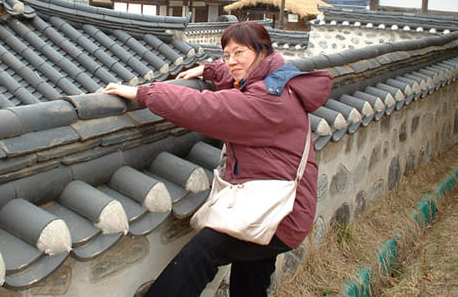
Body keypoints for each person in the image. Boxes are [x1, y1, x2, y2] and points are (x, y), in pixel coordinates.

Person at [104, 22, 333, 297]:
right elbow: (242, 79)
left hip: (280, 215)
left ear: (262, 51)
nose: (232, 61)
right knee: (250, 281)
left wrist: (144, 93)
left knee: (206, 248)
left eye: (239, 52)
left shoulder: (270, 99)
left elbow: (207, 107)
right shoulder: (278, 77)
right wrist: (211, 69)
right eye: (227, 55)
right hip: (274, 206)